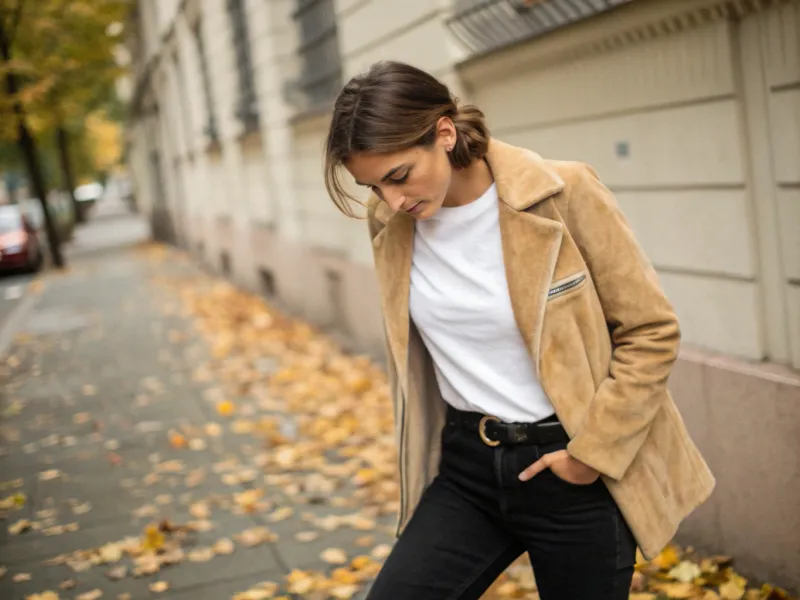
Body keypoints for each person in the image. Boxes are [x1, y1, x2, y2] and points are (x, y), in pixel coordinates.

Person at [322, 60, 715, 600]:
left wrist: (590, 455)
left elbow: (650, 331)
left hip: (574, 467)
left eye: (398, 176)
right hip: (467, 467)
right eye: (373, 185)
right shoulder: (389, 219)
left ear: (444, 131)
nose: (392, 200)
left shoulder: (563, 192)